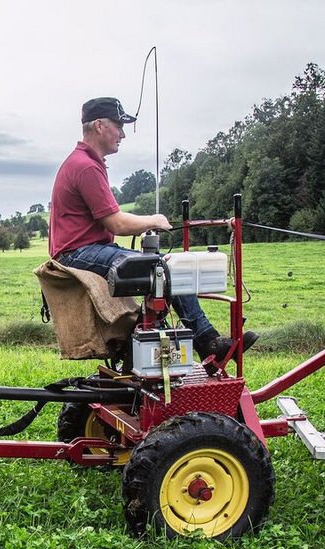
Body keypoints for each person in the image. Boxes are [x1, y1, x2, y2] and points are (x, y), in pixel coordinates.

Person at [49, 97, 256, 360]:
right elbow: (117, 223)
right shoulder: (86, 166)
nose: (122, 134)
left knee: (160, 267)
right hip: (78, 252)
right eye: (118, 126)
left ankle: (155, 341)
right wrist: (155, 220)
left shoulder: (84, 162)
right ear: (99, 126)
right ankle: (206, 341)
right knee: (164, 267)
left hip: (84, 249)